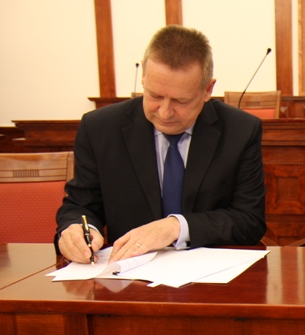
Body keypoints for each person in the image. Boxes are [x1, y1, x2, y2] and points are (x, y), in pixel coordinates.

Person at [56, 25, 267, 263]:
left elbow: (250, 221)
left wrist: (176, 227)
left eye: (180, 101)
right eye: (155, 96)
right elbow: (80, 206)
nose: (165, 113)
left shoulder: (240, 131)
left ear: (208, 89)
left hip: (212, 272)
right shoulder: (100, 129)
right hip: (127, 274)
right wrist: (77, 231)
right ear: (144, 78)